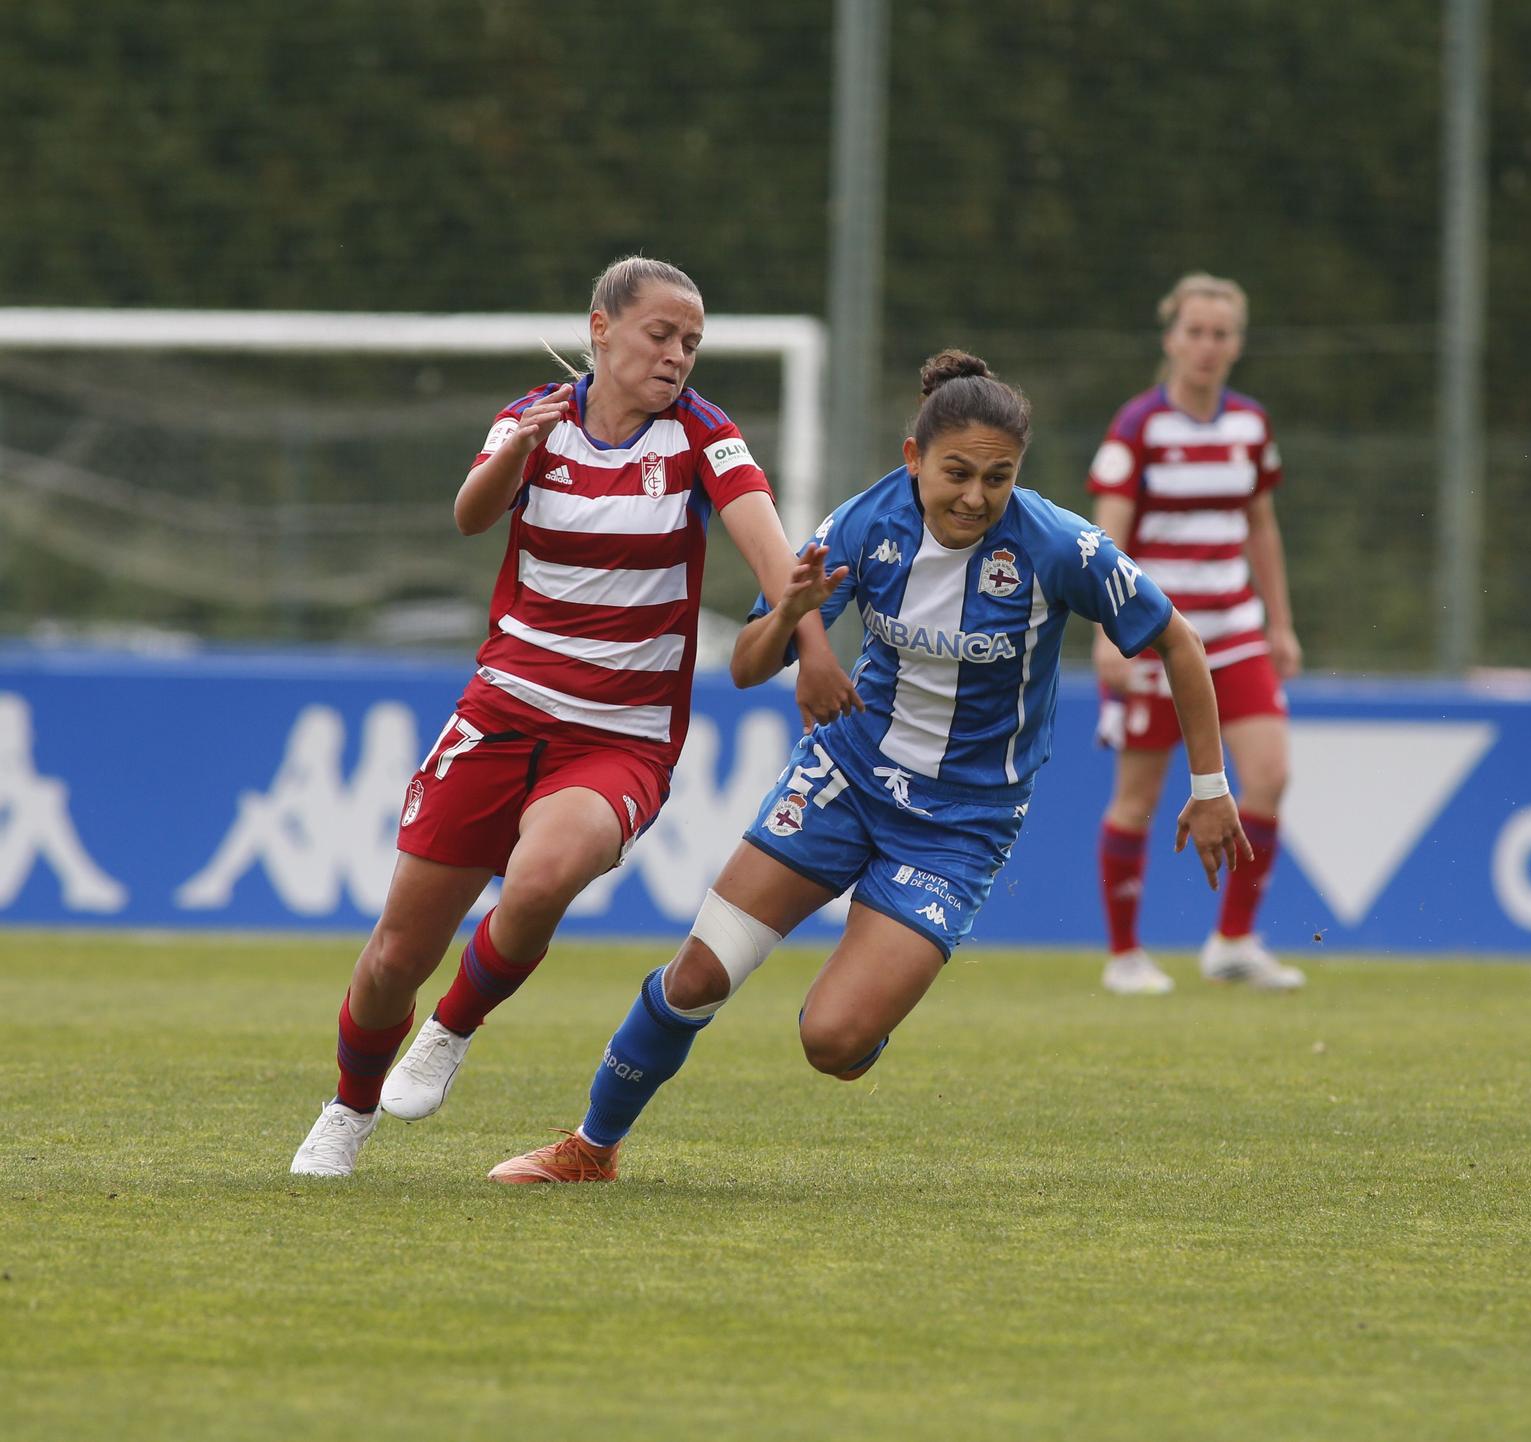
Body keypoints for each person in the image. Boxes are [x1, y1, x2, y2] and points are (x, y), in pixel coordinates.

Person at [485, 350, 1252, 1183]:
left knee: (833, 1041)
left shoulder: (1058, 545)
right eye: (957, 472)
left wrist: (1210, 787)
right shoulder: (863, 524)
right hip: (844, 778)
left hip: (961, 823)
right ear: (912, 456)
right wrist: (791, 620)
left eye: (998, 478)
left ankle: (873, 996)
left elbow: (1178, 640)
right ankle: (590, 1149)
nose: (975, 497)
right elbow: (746, 666)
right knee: (700, 973)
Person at [289, 256, 857, 1176]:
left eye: (692, 343)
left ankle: (452, 1029)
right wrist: (513, 452)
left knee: (544, 874)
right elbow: (473, 517)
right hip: (501, 713)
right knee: (396, 952)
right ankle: (347, 1111)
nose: (679, 356)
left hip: (619, 739)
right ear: (602, 330)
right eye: (661, 335)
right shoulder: (532, 418)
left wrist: (811, 639)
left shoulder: (703, 437)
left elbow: (769, 547)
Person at [1087, 273, 1304, 995]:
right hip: (1157, 636)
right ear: (1171, 338)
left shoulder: (1251, 426)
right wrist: (1105, 635)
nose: (1207, 347)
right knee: (1139, 800)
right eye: (1195, 332)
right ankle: (1124, 955)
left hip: (1237, 630)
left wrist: (1281, 623)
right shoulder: (1138, 427)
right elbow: (1106, 538)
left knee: (1270, 774)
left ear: (1236, 344)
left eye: (1221, 334)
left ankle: (1234, 941)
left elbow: (1263, 526)